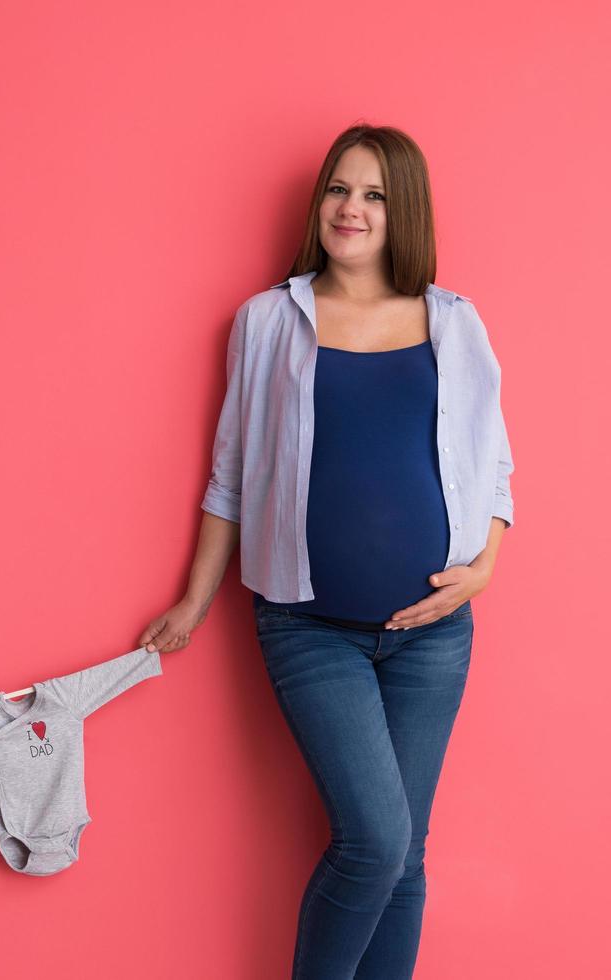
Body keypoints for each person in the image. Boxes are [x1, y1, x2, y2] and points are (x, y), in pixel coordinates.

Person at [140, 124, 513, 979]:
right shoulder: (269, 319)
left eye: (374, 194)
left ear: (402, 211)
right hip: (310, 629)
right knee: (374, 842)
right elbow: (231, 472)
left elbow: (495, 467)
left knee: (405, 858)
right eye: (339, 190)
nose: (351, 209)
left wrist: (482, 571)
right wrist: (194, 601)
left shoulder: (452, 323)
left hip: (434, 634)